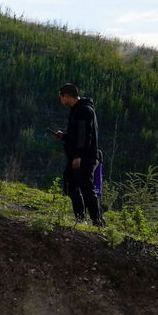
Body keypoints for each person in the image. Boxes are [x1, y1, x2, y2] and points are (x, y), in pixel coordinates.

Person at [52, 83, 104, 226]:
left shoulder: (83, 110)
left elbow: (83, 136)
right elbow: (77, 135)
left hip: (84, 157)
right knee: (70, 185)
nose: (61, 100)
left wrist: (78, 156)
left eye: (61, 97)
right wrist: (64, 136)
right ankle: (81, 219)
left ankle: (97, 221)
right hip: (78, 155)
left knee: (86, 188)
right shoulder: (78, 109)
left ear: (66, 96)